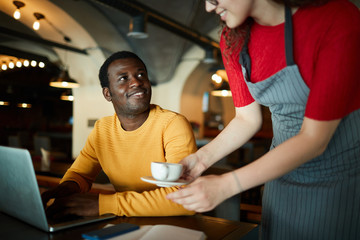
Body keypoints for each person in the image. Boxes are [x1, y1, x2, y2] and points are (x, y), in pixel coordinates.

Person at [167, 0, 360, 239]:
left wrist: (226, 185)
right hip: (278, 175)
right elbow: (247, 119)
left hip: (338, 177)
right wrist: (201, 159)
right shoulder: (233, 40)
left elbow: (314, 138)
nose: (208, 7)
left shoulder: (336, 18)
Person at [42, 51, 197, 219]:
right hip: (127, 222)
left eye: (141, 75)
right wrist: (64, 190)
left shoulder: (173, 124)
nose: (136, 82)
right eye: (124, 78)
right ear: (108, 94)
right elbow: (80, 175)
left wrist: (103, 204)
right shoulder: (103, 129)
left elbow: (184, 199)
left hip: (176, 225)